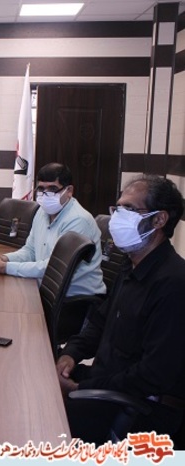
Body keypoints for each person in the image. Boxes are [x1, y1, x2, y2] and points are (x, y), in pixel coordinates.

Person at [56, 175, 185, 443]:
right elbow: (99, 323)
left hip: (139, 409)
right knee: (35, 381)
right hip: (108, 385)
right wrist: (70, 354)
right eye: (118, 208)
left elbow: (153, 374)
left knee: (37, 415)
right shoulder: (131, 265)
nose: (117, 217)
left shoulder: (174, 283)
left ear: (159, 220)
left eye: (129, 209)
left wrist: (81, 387)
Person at [0, 163, 105, 298]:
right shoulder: (42, 212)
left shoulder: (78, 220)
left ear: (69, 191)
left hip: (76, 298)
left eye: (52, 189)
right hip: (47, 288)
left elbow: (54, 268)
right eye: (41, 189)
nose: (46, 194)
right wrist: (4, 258)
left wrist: (4, 267)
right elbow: (30, 251)